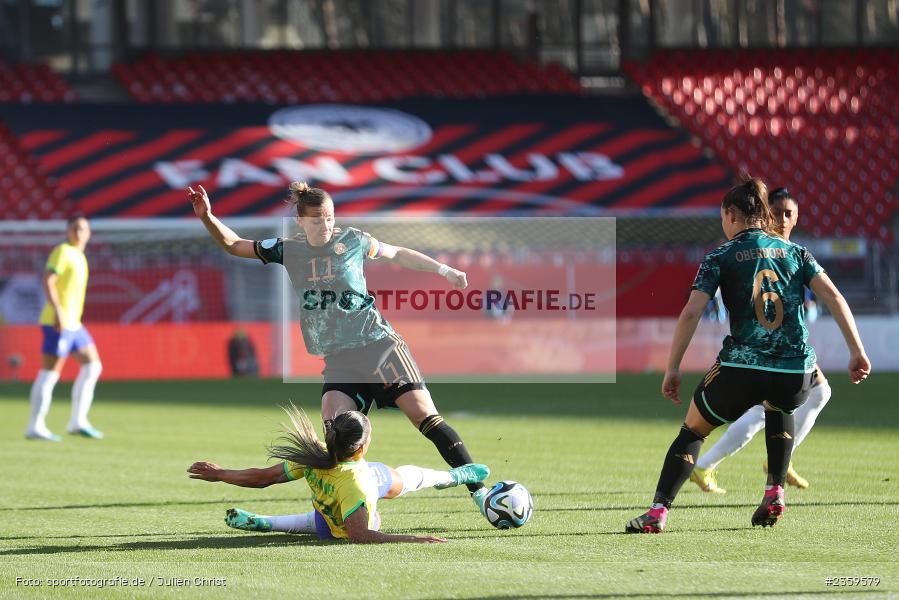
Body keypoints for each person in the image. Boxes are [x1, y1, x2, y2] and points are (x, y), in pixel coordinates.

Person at [188, 182, 491, 515]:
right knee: (334, 438)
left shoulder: (354, 240)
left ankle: (481, 492)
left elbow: (396, 252)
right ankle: (342, 509)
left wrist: (443, 270)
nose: (326, 226)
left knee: (423, 415)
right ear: (300, 221)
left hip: (378, 345)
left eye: (330, 218)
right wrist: (208, 216)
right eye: (317, 220)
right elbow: (233, 245)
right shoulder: (287, 249)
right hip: (338, 359)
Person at [625, 179, 870, 533]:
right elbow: (833, 297)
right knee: (780, 408)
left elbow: (692, 312)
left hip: (741, 366)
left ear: (730, 214)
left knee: (693, 430)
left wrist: (673, 367)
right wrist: (857, 351)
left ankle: (658, 512)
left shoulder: (720, 256)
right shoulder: (797, 252)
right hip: (795, 369)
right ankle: (774, 490)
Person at [690, 187, 832, 493]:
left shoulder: (791, 254)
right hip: (764, 352)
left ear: (797, 218)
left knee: (810, 395)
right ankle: (719, 465)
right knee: (768, 408)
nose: (781, 219)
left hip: (784, 350)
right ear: (763, 214)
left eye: (788, 213)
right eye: (776, 211)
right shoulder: (758, 252)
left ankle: (716, 465)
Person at [188, 406, 489, 543]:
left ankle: (268, 523)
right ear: (361, 447)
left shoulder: (315, 455)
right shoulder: (358, 482)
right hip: (347, 523)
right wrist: (414, 538)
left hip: (323, 523)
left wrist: (221, 474)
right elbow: (360, 534)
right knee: (401, 480)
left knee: (333, 513)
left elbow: (263, 478)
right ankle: (455, 476)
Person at [26, 214, 103, 441]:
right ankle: (35, 426)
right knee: (49, 374)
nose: (79, 233)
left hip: (74, 324)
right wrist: (58, 312)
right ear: (68, 231)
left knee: (93, 366)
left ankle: (78, 421)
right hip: (57, 322)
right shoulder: (63, 251)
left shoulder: (80, 256)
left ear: (88, 233)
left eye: (83, 229)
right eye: (75, 228)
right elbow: (48, 280)